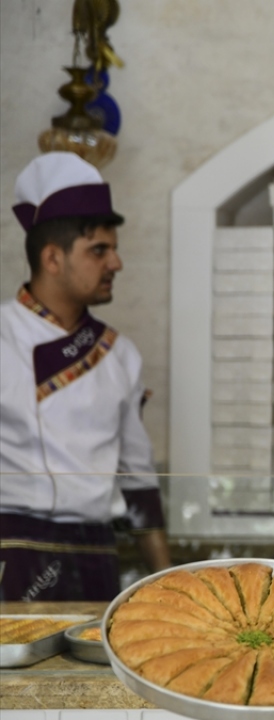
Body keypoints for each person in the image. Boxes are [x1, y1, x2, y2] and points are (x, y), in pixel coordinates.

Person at [0, 152, 171, 602]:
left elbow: (138, 481)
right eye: (99, 250)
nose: (116, 263)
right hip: (13, 555)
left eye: (113, 249)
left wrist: (168, 584)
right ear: (52, 258)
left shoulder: (119, 353)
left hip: (96, 556)